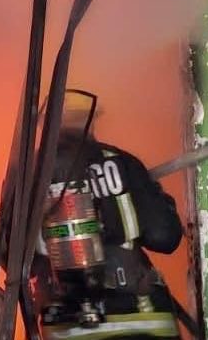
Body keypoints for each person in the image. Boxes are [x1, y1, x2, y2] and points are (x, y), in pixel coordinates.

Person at [31, 93, 185, 339]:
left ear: (47, 125)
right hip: (141, 315)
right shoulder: (123, 162)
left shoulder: (30, 171)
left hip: (68, 325)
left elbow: (12, 257)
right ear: (91, 121)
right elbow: (165, 236)